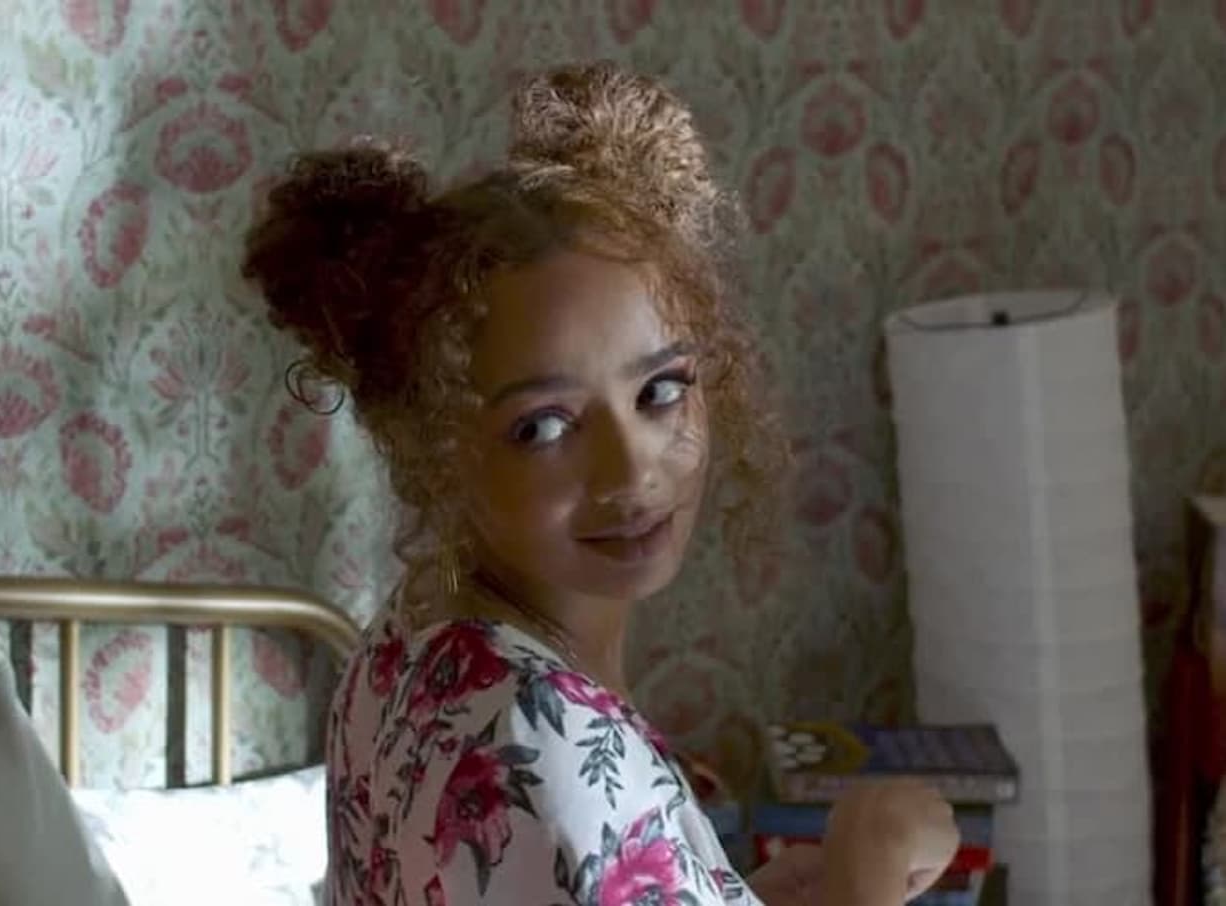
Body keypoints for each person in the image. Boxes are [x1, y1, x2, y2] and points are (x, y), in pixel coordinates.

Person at [243, 62, 958, 906]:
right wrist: (871, 860)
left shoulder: (407, 647)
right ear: (436, 446)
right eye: (545, 426)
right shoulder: (554, 746)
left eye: (660, 391)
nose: (630, 470)